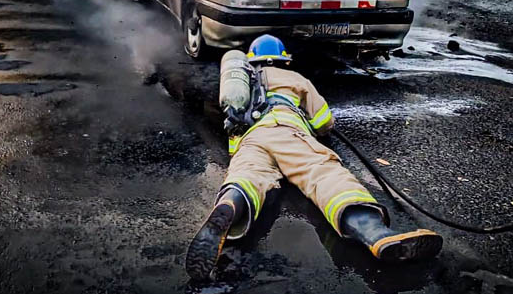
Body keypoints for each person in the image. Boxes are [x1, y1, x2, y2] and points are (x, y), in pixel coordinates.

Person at [186, 34, 443, 280]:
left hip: (251, 140)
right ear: (282, 58)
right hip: (288, 132)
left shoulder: (240, 81)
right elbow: (324, 122)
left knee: (247, 176)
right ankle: (375, 234)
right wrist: (318, 128)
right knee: (324, 174)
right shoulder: (295, 77)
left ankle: (229, 205)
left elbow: (224, 119)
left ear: (252, 59)